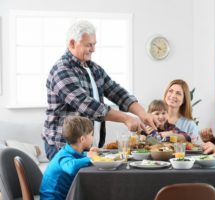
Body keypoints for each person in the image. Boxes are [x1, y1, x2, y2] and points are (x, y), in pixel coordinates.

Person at [42, 20, 156, 160]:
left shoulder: (93, 68)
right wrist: (126, 118)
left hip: (87, 145)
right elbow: (87, 105)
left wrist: (142, 113)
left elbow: (117, 92)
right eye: (88, 45)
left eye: (94, 44)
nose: (93, 49)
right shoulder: (61, 71)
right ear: (72, 43)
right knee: (72, 182)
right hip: (63, 146)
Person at [40, 116, 100, 200]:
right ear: (82, 139)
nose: (92, 137)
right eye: (91, 135)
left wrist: (89, 154)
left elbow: (78, 157)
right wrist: (90, 158)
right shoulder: (63, 156)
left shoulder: (68, 150)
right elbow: (71, 167)